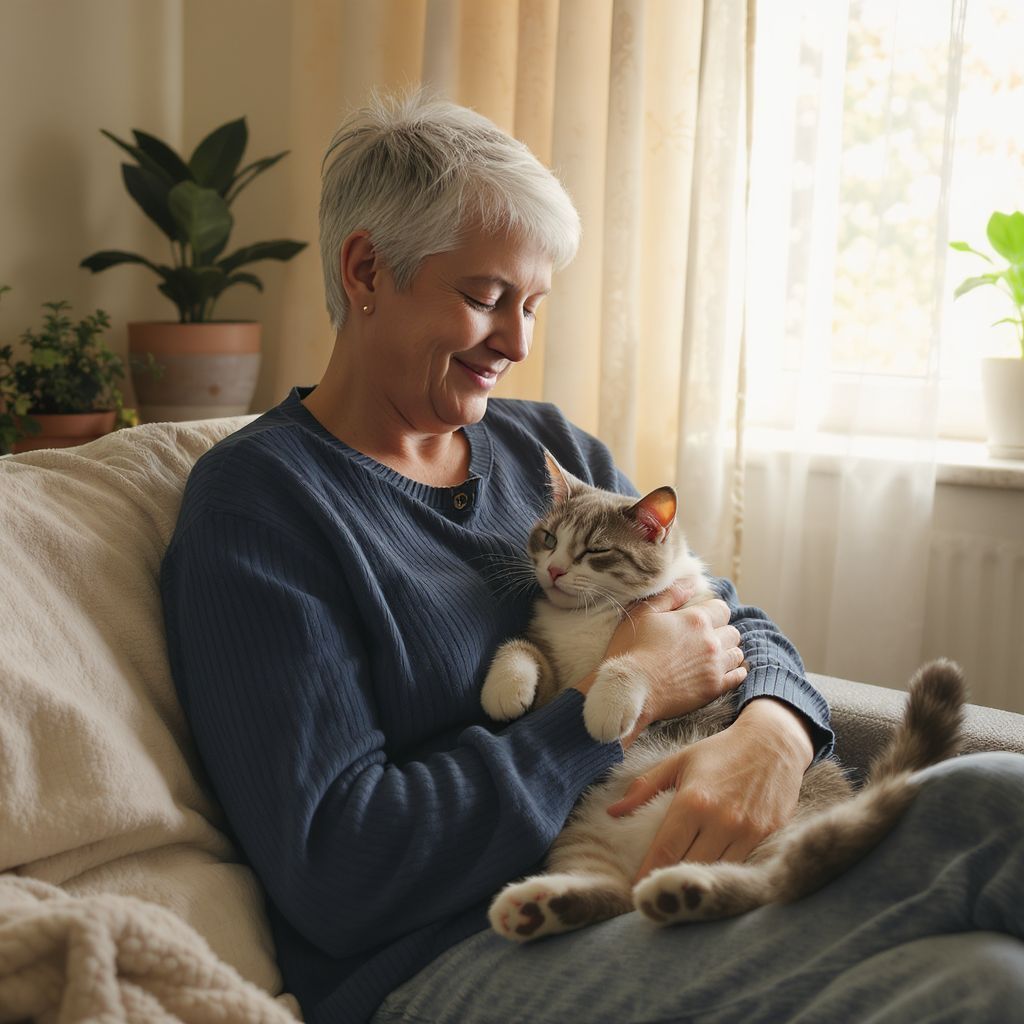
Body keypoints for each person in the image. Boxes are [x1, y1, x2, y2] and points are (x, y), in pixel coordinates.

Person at [161, 92, 1024, 1024]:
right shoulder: (262, 506)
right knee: (990, 819)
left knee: (986, 970)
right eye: (487, 298)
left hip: (670, 885)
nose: (519, 344)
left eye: (532, 304)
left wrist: (775, 729)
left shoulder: (543, 448)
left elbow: (722, 615)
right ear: (368, 269)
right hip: (459, 954)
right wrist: (605, 710)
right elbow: (341, 864)